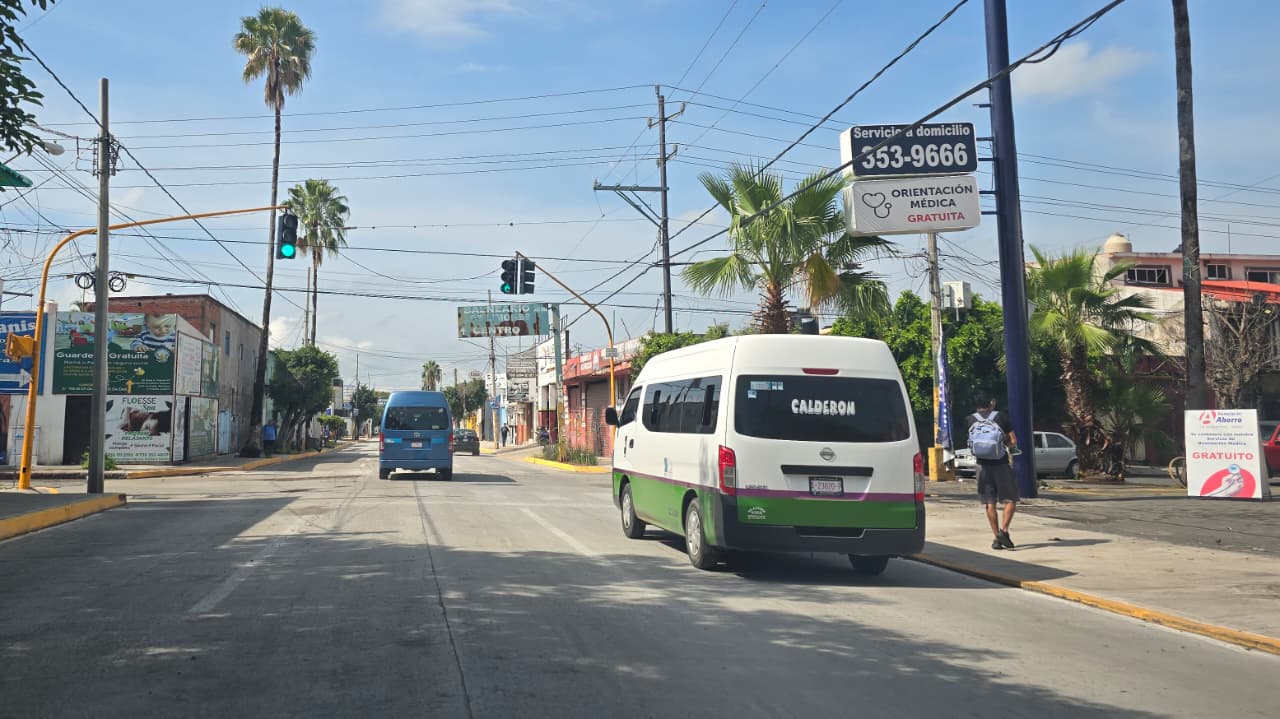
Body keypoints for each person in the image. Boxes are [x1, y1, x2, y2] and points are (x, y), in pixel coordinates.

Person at [965, 398, 1018, 550]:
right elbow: (1013, 440)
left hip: (982, 466)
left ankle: (996, 537)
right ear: (992, 402)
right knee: (1010, 499)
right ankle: (1004, 531)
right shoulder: (1001, 417)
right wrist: (1009, 447)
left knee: (989, 502)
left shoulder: (970, 419)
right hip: (1001, 464)